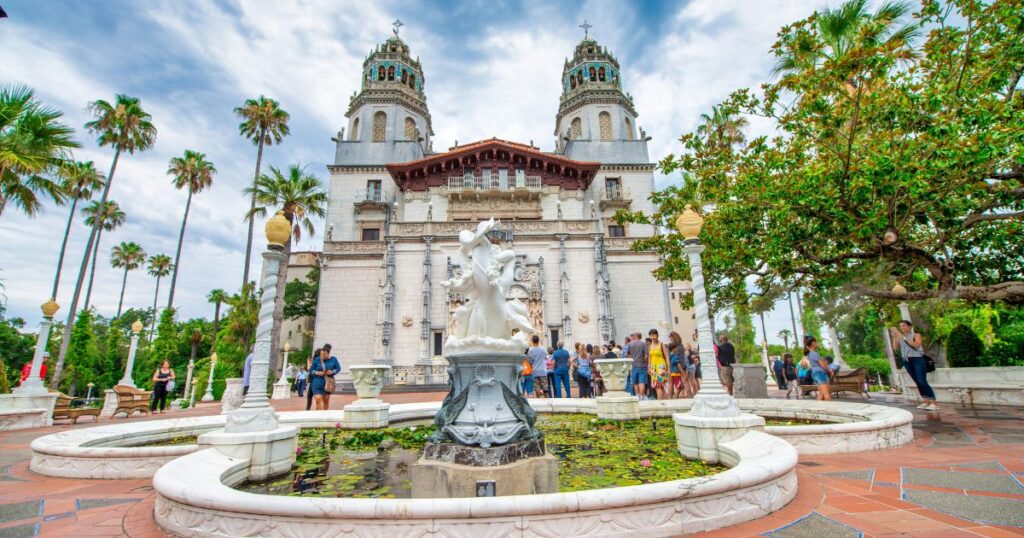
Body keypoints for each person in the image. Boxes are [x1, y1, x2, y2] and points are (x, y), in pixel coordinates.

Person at [892, 320, 938, 411]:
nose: (902, 328)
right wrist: (894, 336)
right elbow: (895, 348)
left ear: (910, 327)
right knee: (917, 381)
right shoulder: (899, 337)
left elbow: (916, 345)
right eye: (900, 326)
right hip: (906, 360)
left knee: (922, 380)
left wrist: (903, 337)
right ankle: (925, 401)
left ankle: (933, 402)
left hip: (917, 359)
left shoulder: (916, 335)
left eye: (904, 325)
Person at [310, 344, 340, 410]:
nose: (322, 356)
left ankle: (324, 414)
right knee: (318, 399)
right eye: (321, 354)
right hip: (317, 382)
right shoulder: (317, 359)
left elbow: (338, 368)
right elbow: (311, 370)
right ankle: (319, 415)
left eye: (324, 354)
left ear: (328, 354)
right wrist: (318, 372)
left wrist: (332, 372)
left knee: (326, 400)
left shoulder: (334, 359)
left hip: (328, 383)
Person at [805, 336, 832, 401]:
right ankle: (830, 406)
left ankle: (818, 407)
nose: (817, 343)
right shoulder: (815, 354)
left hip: (814, 373)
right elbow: (823, 365)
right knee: (826, 394)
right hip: (820, 373)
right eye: (816, 342)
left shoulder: (809, 354)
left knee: (821, 394)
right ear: (813, 343)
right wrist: (830, 371)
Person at [626, 332, 650, 399]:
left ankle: (637, 395)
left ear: (635, 336)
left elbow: (627, 354)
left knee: (635, 382)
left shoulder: (630, 344)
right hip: (642, 364)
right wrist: (647, 363)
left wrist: (632, 358)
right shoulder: (643, 344)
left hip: (633, 365)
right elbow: (646, 355)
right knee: (642, 381)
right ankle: (641, 396)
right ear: (640, 337)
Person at [648, 329, 669, 400]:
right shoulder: (650, 345)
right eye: (651, 336)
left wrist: (668, 369)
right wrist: (649, 367)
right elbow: (650, 357)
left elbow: (667, 356)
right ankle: (663, 401)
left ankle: (660, 402)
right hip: (653, 368)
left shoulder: (662, 345)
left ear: (657, 335)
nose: (652, 337)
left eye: (654, 335)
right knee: (656, 385)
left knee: (660, 385)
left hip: (661, 367)